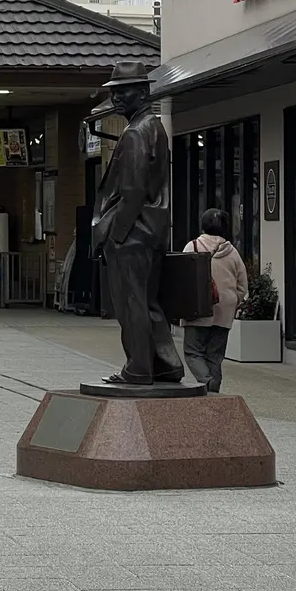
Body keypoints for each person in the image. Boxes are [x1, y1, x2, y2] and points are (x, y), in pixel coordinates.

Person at [90, 62, 184, 385]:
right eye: (114, 92)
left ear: (143, 93)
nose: (117, 98)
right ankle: (167, 364)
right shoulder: (154, 127)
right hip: (152, 230)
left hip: (132, 233)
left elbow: (132, 192)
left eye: (124, 92)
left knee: (131, 303)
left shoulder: (134, 133)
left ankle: (139, 367)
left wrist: (115, 236)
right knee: (148, 301)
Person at [182, 208, 249, 393]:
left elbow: (182, 277)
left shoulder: (192, 247)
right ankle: (214, 391)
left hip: (197, 309)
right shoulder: (232, 252)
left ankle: (207, 382)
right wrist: (233, 302)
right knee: (215, 356)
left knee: (193, 352)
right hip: (224, 311)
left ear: (203, 226)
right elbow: (242, 285)